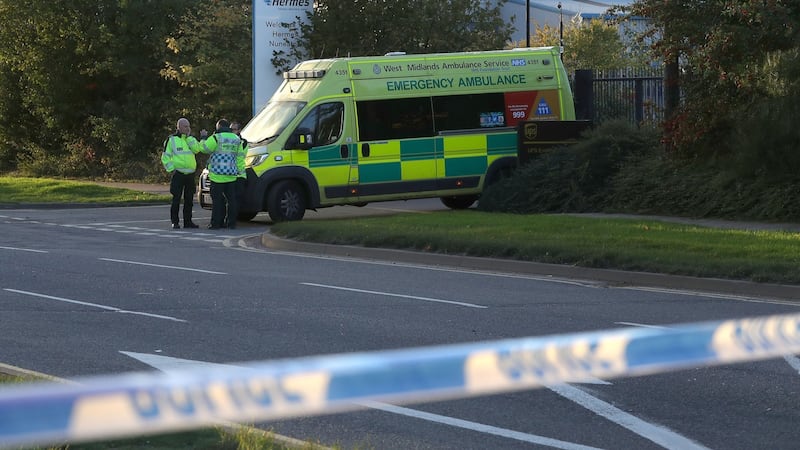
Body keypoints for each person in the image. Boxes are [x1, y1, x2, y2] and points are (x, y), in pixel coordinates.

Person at [200, 119, 245, 229]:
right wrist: (239, 171)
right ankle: (231, 223)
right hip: (231, 175)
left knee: (217, 201)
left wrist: (203, 138)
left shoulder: (216, 137)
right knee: (231, 201)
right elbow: (240, 157)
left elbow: (204, 148)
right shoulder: (236, 139)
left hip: (217, 175)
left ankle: (216, 223)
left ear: (219, 127)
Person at [161, 117, 201, 229]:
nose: (187, 128)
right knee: (176, 198)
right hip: (178, 173)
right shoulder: (171, 139)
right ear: (178, 127)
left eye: (188, 126)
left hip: (190, 174)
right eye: (185, 126)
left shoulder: (191, 139)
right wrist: (172, 169)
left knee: (189, 199)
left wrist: (188, 138)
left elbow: (197, 149)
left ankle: (188, 221)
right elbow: (165, 157)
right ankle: (175, 221)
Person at [230, 121, 248, 209]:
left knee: (237, 199)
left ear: (239, 130)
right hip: (229, 174)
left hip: (239, 175)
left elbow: (241, 156)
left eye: (234, 129)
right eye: (231, 129)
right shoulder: (228, 141)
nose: (232, 131)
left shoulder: (243, 143)